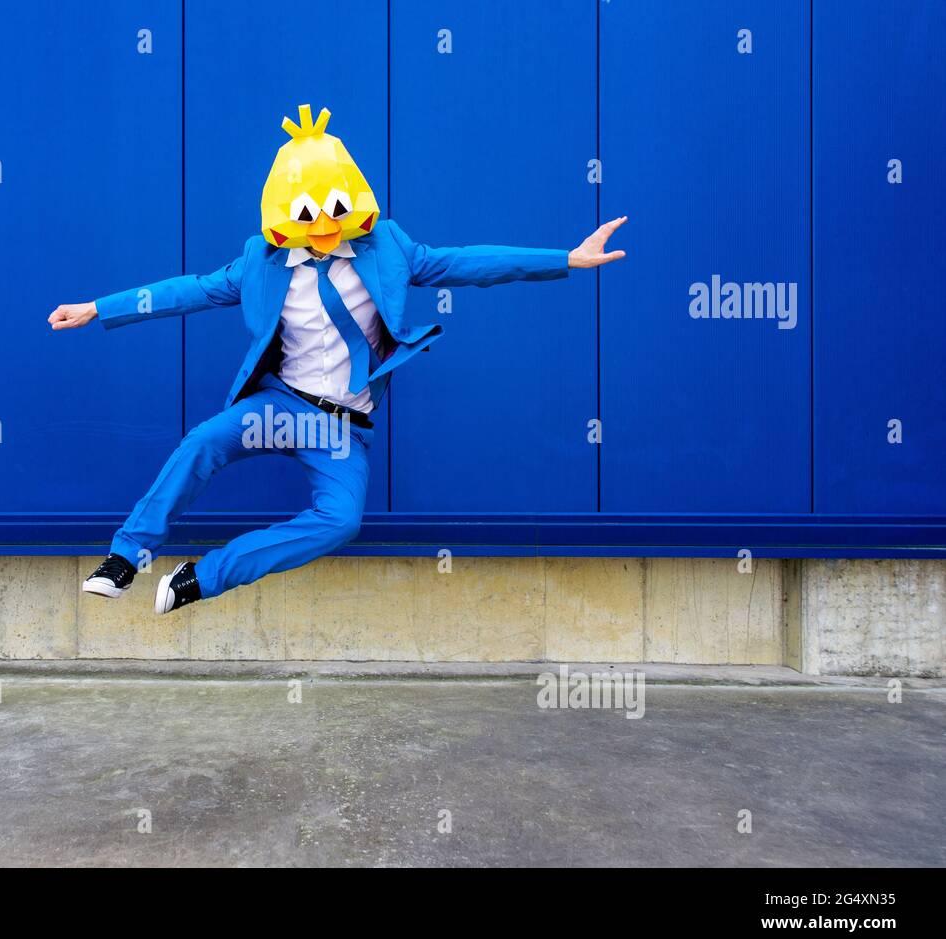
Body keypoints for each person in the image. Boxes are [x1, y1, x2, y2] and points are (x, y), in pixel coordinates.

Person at [49, 105, 626, 615]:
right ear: (280, 213)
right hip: (278, 406)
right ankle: (127, 557)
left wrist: (566, 259)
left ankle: (202, 576)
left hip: (342, 424)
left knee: (342, 520)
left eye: (334, 213)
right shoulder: (260, 261)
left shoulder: (391, 248)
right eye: (307, 218)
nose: (323, 228)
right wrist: (99, 308)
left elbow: (467, 263)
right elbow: (188, 291)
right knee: (202, 442)